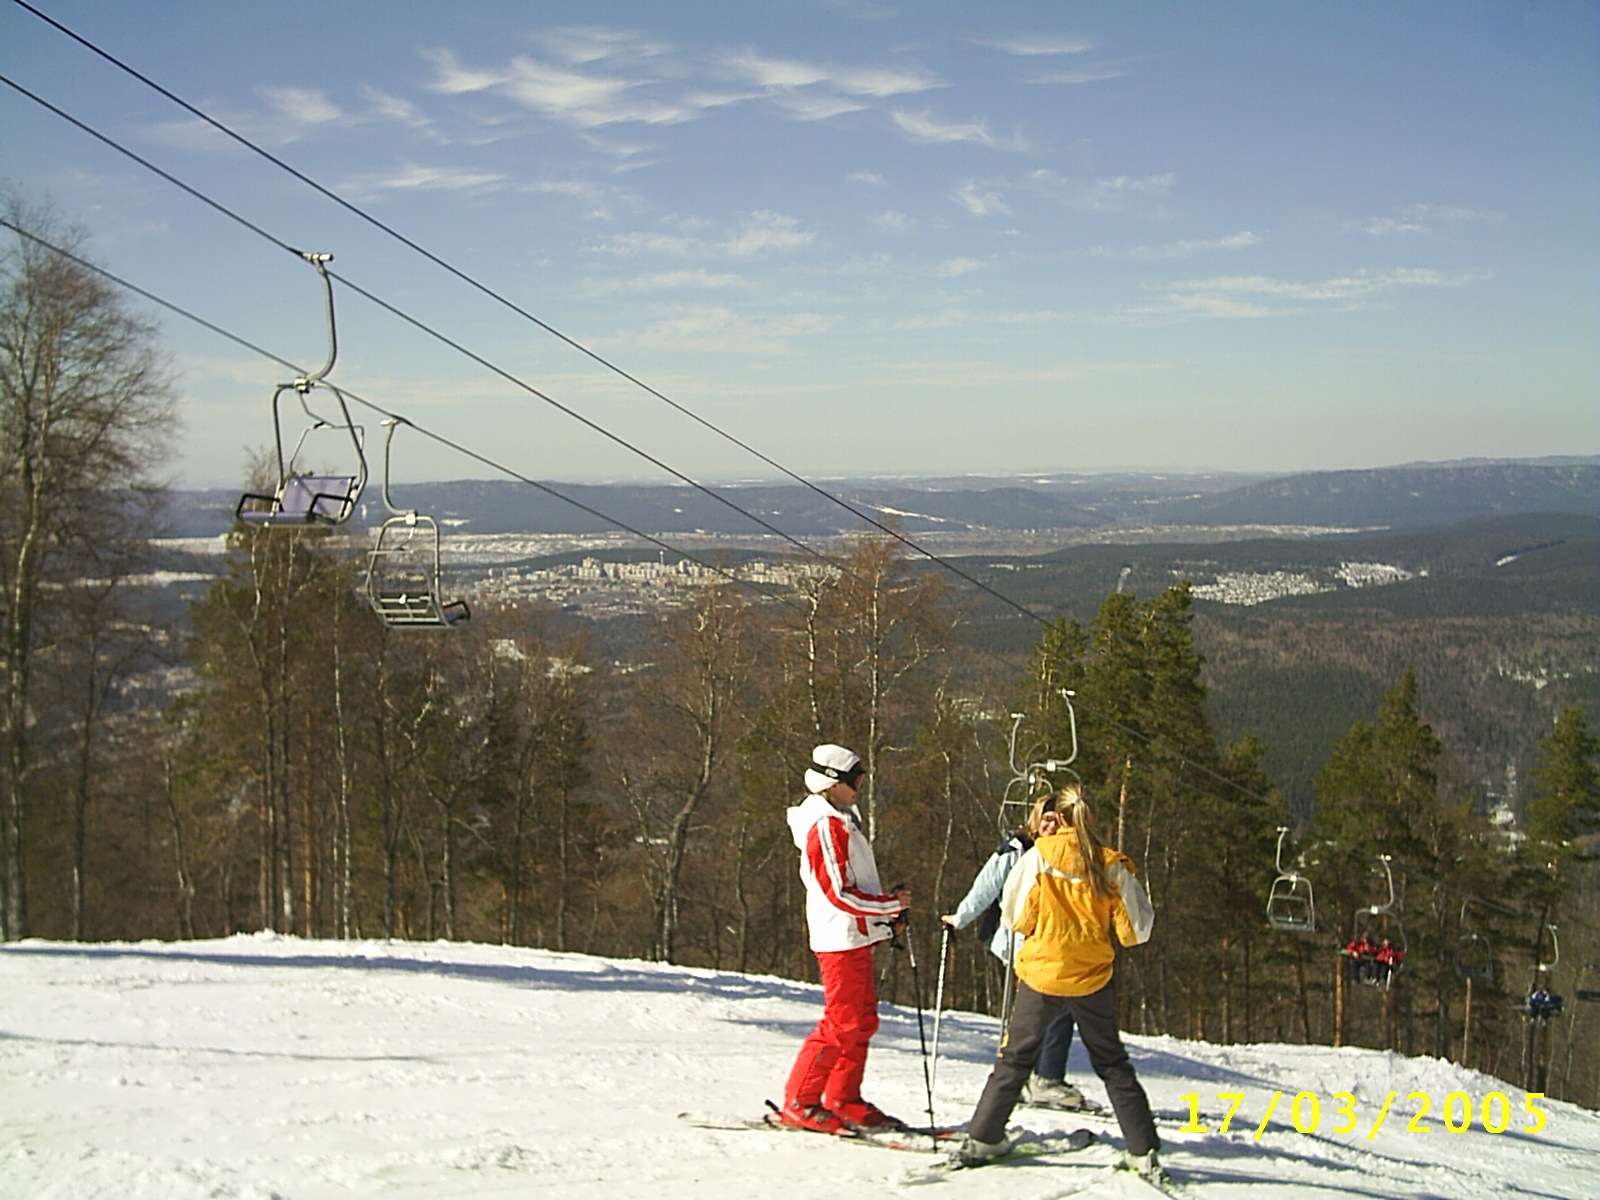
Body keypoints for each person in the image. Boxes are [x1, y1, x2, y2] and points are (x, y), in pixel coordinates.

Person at [955, 783, 1163, 1182]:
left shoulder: (1038, 858)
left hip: (1041, 975)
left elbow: (1015, 916)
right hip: (1091, 979)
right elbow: (1137, 929)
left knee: (1015, 1059)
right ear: (1091, 819)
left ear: (1060, 819)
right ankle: (1143, 1149)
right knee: (1112, 1063)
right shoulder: (1110, 864)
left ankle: (982, 1138)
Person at [778, 743, 911, 1134]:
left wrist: (887, 921)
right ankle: (800, 1101)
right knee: (842, 1022)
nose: (861, 784)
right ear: (832, 781)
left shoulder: (841, 816)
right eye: (855, 778)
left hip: (854, 934)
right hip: (838, 937)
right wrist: (888, 907)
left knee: (861, 1019)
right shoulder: (825, 824)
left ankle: (843, 1097)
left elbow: (854, 885)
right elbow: (837, 891)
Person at [941, 793, 1089, 1111]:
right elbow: (986, 886)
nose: (1051, 826)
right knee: (1048, 1008)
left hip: (1053, 944)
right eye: (1046, 819)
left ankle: (1028, 1076)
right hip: (1023, 943)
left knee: (1048, 1009)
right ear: (1036, 820)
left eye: (1058, 820)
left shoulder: (1066, 853)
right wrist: (959, 919)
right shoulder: (1017, 850)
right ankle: (1038, 1078)